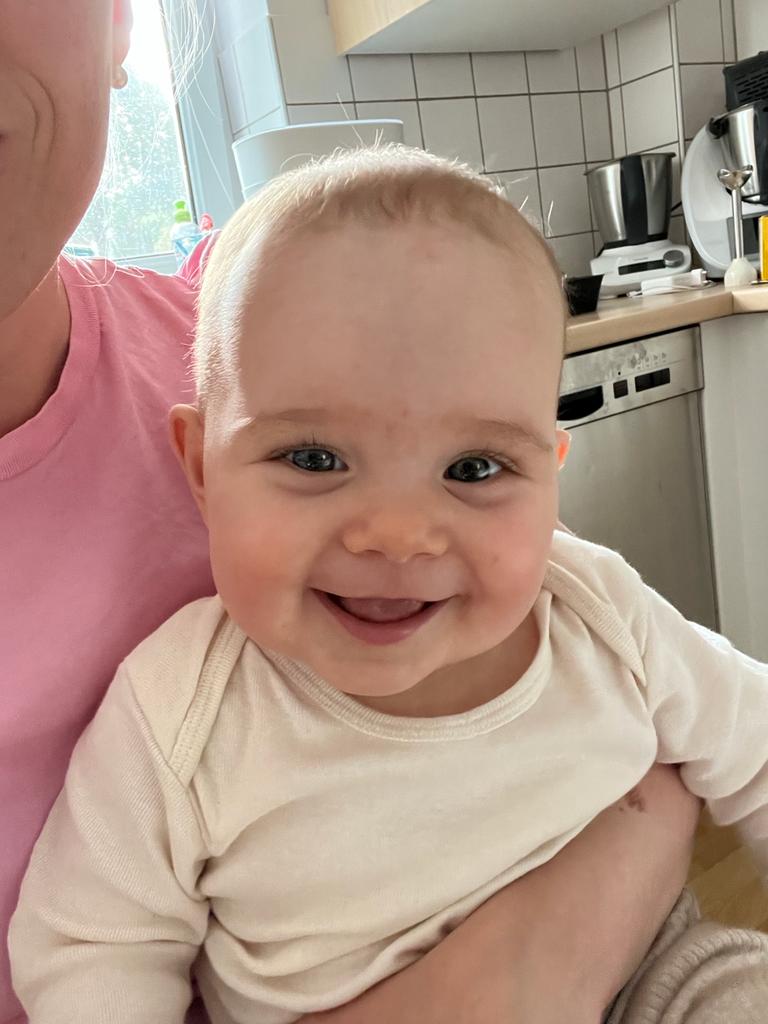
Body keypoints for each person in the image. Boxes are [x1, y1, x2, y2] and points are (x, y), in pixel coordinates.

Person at [0, 1, 701, 1021]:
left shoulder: (585, 596)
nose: (397, 535)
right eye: (316, 460)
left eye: (474, 467)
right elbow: (94, 950)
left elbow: (718, 740)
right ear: (199, 466)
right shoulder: (177, 710)